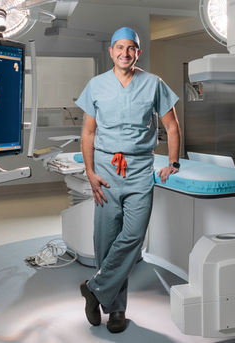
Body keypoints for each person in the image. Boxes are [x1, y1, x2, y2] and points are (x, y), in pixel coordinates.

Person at [76, 26, 181, 334]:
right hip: (106, 170)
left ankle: (94, 288)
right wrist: (91, 173)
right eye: (119, 47)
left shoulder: (153, 84)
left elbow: (172, 127)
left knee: (133, 237)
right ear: (111, 52)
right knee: (106, 242)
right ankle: (116, 309)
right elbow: (88, 133)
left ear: (138, 52)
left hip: (138, 169)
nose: (125, 53)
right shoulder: (96, 85)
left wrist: (173, 162)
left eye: (131, 48)